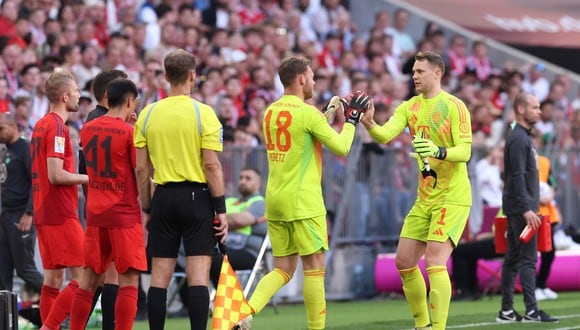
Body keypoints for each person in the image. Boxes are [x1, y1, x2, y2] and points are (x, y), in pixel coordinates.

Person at [235, 56, 368, 330]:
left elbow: (300, 134)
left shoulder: (270, 111)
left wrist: (326, 113)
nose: (315, 81)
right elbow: (342, 146)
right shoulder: (307, 113)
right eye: (312, 75)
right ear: (301, 79)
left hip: (276, 200)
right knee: (315, 267)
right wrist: (352, 120)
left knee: (282, 269)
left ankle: (245, 312)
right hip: (303, 200)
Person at [360, 51, 472, 330]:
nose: (414, 76)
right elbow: (385, 135)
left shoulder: (454, 106)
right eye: (413, 72)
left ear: (438, 73)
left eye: (420, 71)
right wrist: (369, 122)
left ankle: (439, 327)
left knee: (435, 261)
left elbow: (465, 151)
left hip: (453, 196)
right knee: (404, 261)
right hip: (425, 198)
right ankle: (422, 325)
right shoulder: (409, 107)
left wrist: (438, 151)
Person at [134, 48, 228, 330]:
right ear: (192, 75)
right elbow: (211, 166)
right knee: (198, 274)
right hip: (196, 196)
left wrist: (148, 207)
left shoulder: (148, 114)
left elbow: (141, 169)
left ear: (165, 76)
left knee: (159, 277)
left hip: (163, 196)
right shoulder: (204, 113)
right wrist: (221, 209)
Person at [69, 78, 146, 330]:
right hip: (123, 213)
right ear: (130, 101)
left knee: (89, 279)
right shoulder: (129, 133)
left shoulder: (87, 128)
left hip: (95, 212)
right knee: (129, 281)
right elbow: (140, 170)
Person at [32, 71, 89, 330]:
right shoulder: (56, 126)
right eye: (76, 91)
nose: (78, 95)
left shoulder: (41, 124)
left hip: (43, 211)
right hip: (59, 212)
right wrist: (90, 179)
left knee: (53, 279)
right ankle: (49, 327)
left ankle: (49, 325)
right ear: (65, 96)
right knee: (84, 275)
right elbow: (56, 175)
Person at [497, 92, 558, 323]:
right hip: (523, 211)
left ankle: (506, 311)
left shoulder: (520, 137)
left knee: (513, 259)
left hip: (518, 208)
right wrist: (526, 209)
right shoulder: (519, 138)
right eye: (534, 107)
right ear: (521, 109)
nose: (539, 111)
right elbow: (516, 176)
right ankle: (532, 310)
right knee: (528, 259)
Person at [77, 69, 129, 330]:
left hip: (95, 207)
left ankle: (64, 324)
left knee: (93, 278)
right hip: (113, 208)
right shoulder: (111, 124)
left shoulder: (90, 122)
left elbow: (84, 169)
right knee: (112, 277)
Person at [0, 112, 44, 294]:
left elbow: (37, 182)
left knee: (25, 270)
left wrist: (29, 213)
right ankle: (5, 320)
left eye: (1, 128)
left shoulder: (26, 149)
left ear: (13, 126)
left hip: (21, 216)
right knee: (3, 272)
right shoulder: (6, 150)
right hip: (5, 215)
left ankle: (62, 308)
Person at [209, 167, 266, 288]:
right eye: (241, 178)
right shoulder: (229, 201)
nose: (243, 181)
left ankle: (229, 301)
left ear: (258, 183)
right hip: (224, 248)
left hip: (248, 253)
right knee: (197, 256)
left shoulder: (260, 203)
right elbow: (232, 220)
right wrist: (230, 219)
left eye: (248, 178)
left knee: (216, 260)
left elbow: (239, 220)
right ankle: (189, 304)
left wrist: (222, 218)